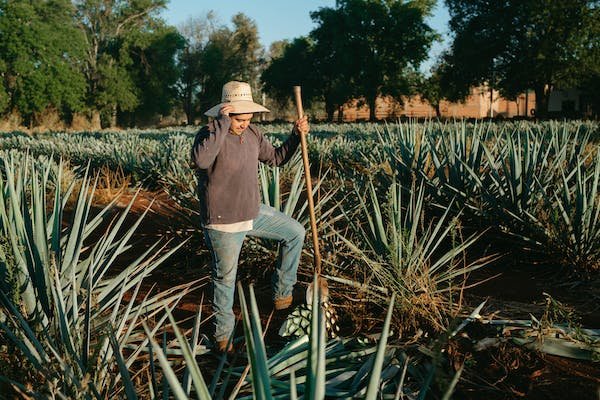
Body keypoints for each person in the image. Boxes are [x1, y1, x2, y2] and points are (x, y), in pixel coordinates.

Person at [191, 81, 309, 352]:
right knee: (225, 280)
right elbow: (201, 161)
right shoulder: (208, 134)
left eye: (247, 118)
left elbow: (277, 159)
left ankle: (282, 294)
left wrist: (295, 136)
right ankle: (223, 338)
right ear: (225, 113)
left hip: (252, 212)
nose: (244, 123)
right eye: (238, 118)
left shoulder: (254, 134)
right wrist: (221, 125)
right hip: (223, 221)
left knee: (295, 232)